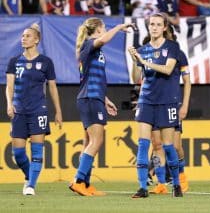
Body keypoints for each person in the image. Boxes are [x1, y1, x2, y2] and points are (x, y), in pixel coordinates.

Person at [69, 18, 134, 196]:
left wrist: (105, 100)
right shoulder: (89, 44)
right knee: (96, 141)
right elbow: (104, 39)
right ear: (97, 29)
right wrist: (119, 27)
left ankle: (85, 184)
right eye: (103, 27)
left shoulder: (93, 51)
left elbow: (92, 78)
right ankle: (79, 180)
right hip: (90, 98)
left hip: (93, 97)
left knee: (88, 143)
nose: (105, 30)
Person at [128, 13, 183, 198]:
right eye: (152, 24)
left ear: (165, 27)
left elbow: (168, 69)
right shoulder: (143, 50)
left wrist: (145, 62)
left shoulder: (172, 47)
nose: (154, 27)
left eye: (158, 24)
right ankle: (142, 187)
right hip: (147, 100)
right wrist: (136, 60)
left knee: (168, 146)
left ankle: (176, 184)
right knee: (143, 145)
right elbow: (136, 78)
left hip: (166, 101)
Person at [6, 23, 63, 196]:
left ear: (36, 40)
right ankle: (28, 175)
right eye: (23, 36)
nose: (24, 38)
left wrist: (58, 111)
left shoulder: (46, 62)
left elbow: (52, 87)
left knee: (37, 149)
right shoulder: (14, 61)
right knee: (18, 153)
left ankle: (30, 185)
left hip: (39, 109)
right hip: (19, 110)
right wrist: (9, 103)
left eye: (28, 36)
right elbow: (9, 86)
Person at [150, 25, 191, 194]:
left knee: (175, 146)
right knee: (157, 144)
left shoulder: (179, 55)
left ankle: (181, 176)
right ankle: (160, 183)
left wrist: (185, 104)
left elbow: (187, 82)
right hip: (153, 103)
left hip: (172, 104)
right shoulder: (152, 52)